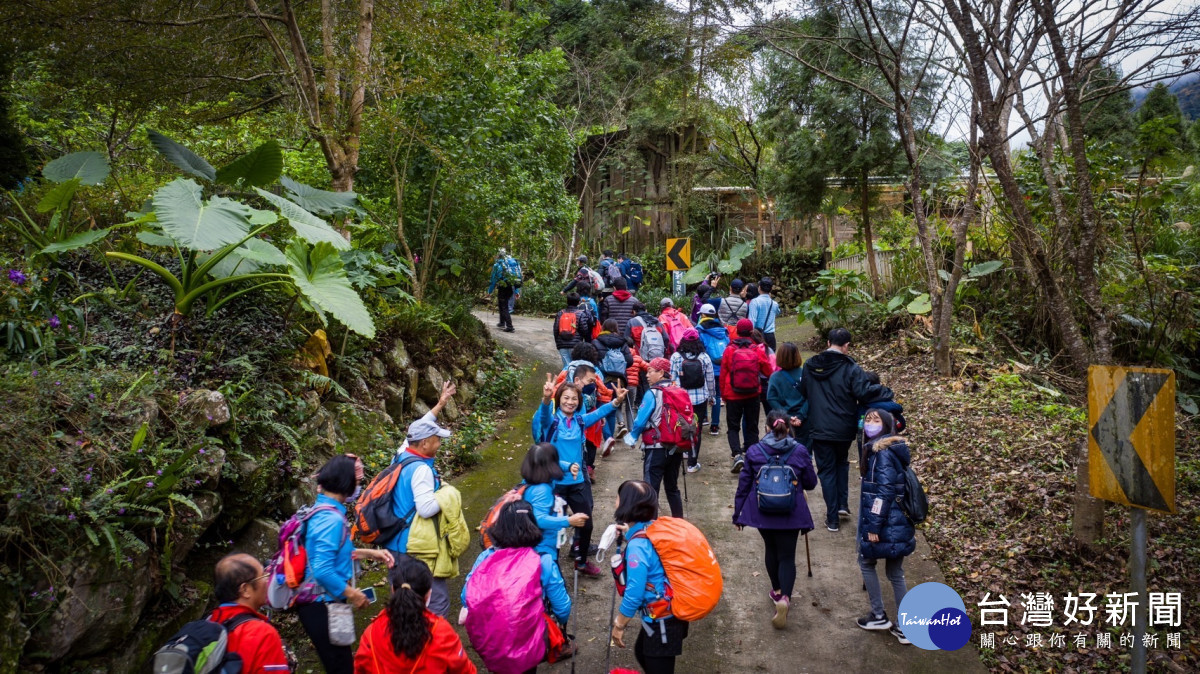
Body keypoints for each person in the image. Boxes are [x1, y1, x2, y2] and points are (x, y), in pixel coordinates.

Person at [300, 455, 394, 673]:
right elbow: (322, 569)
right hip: (323, 604)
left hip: (328, 601)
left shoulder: (324, 509)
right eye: (358, 483)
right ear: (347, 483)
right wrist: (353, 594)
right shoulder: (330, 519)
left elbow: (332, 551)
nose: (358, 488)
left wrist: (368, 553)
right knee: (340, 666)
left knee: (341, 661)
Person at [533, 374, 628, 576]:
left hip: (577, 482)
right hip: (555, 484)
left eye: (574, 399)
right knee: (555, 530)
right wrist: (545, 399)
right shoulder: (553, 421)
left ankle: (581, 561)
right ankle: (553, 567)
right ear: (559, 400)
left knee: (586, 523)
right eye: (566, 398)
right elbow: (543, 417)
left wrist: (616, 401)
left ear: (579, 402)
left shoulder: (579, 420)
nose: (570, 402)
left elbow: (599, 412)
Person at [462, 500, 573, 673]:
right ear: (533, 526)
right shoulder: (543, 561)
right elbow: (562, 607)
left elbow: (465, 596)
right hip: (528, 638)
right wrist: (561, 623)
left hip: (492, 640)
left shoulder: (485, 558)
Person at [732, 411, 818, 629]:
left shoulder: (754, 451)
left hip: (762, 512)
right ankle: (785, 599)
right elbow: (810, 482)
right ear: (788, 428)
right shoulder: (800, 450)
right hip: (791, 511)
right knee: (787, 556)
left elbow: (744, 485)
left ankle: (777, 590)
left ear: (767, 428)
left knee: (771, 549)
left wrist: (738, 514)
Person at [799, 327, 890, 532]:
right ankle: (842, 505)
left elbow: (803, 390)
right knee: (841, 464)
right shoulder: (852, 368)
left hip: (819, 427)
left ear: (827, 343)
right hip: (843, 427)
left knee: (826, 471)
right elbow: (863, 392)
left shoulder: (811, 365)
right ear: (846, 346)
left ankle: (832, 518)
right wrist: (884, 390)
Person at [610, 480, 689, 674]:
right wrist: (628, 533)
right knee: (641, 652)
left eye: (618, 496)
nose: (615, 499)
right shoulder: (653, 527)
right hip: (667, 614)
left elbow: (634, 593)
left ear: (627, 504)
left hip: (663, 621)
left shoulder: (637, 548)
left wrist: (619, 625)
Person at [385, 413, 458, 615]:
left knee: (401, 601)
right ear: (424, 443)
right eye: (437, 439)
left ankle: (404, 639)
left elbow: (409, 435)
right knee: (435, 602)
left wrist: (441, 405)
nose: (440, 443)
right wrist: (447, 494)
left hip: (395, 545)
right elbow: (425, 508)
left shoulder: (400, 457)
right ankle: (433, 642)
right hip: (417, 547)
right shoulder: (421, 469)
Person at [355, 556, 476, 673]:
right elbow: (465, 670)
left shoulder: (371, 633)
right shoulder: (441, 632)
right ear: (429, 594)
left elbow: (359, 668)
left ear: (393, 589)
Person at [855, 408, 914, 646]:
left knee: (866, 561)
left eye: (876, 419)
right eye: (867, 419)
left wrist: (874, 525)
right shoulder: (888, 450)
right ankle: (903, 626)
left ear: (887, 424)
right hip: (898, 523)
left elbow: (884, 492)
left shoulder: (882, 453)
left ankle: (879, 615)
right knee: (895, 573)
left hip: (886, 523)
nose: (870, 423)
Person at [208, 554, 290, 673]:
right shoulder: (261, 633)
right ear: (245, 589)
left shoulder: (209, 622)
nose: (268, 580)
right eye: (263, 576)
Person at [626, 358, 685, 518]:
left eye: (651, 371)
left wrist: (632, 437)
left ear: (661, 373)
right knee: (672, 488)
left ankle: (650, 525)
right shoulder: (678, 390)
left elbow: (640, 420)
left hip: (656, 447)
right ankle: (679, 523)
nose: (647, 375)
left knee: (650, 489)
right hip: (676, 448)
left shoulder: (652, 393)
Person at [721, 319, 774, 473]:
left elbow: (724, 373)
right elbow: (767, 370)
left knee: (733, 427)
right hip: (752, 394)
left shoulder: (729, 350)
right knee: (752, 426)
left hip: (733, 394)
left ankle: (737, 455)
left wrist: (724, 395)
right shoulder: (757, 349)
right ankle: (752, 457)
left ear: (736, 331)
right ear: (752, 332)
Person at [521, 443, 589, 557]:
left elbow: (556, 464)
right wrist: (568, 521)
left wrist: (569, 466)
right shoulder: (542, 490)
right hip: (542, 549)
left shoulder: (530, 481)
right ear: (550, 465)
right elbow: (540, 519)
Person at [669, 329, 715, 473]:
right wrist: (712, 396)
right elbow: (710, 379)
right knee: (697, 429)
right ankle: (692, 463)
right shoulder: (704, 357)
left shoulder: (676, 357)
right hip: (699, 399)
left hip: (680, 399)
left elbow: (672, 379)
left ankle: (683, 450)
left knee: (681, 425)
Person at [695, 304, 728, 437]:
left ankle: (703, 419)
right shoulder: (723, 329)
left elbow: (698, 349)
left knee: (704, 395)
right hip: (721, 368)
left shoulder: (699, 330)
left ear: (702, 315)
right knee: (717, 396)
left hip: (706, 368)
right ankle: (715, 426)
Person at [767, 342, 808, 442]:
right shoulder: (805, 373)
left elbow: (771, 398)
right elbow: (811, 397)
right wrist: (800, 416)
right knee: (805, 451)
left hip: (783, 421)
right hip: (805, 419)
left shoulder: (775, 377)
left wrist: (788, 417)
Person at [554, 293, 594, 369]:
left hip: (562, 345)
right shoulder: (580, 314)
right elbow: (584, 330)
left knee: (566, 367)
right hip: (576, 345)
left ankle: (568, 380)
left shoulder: (560, 313)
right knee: (575, 368)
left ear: (567, 301)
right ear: (578, 302)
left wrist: (558, 343)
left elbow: (556, 329)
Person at [486, 249, 520, 333]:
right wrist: (516, 291)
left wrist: (489, 291)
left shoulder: (497, 265)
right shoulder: (511, 264)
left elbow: (493, 279)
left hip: (503, 287)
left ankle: (510, 326)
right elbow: (514, 278)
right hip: (511, 286)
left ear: (498, 256)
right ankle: (502, 322)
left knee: (504, 306)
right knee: (501, 304)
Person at [747, 277, 780, 351]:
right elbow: (778, 312)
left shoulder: (755, 302)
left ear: (759, 287)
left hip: (758, 336)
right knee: (771, 359)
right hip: (771, 336)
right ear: (771, 289)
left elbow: (751, 321)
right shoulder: (774, 304)